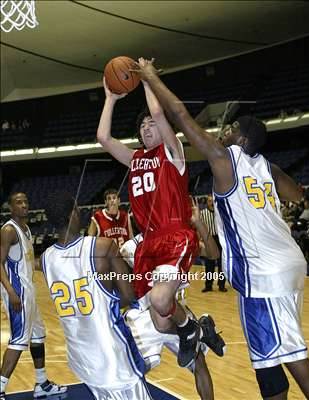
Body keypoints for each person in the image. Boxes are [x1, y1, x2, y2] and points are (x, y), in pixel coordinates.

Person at [132, 59, 309, 400]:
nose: (224, 130)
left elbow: (180, 115)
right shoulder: (268, 166)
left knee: (290, 348)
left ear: (242, 138)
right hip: (288, 263)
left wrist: (151, 78)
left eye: (231, 128)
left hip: (263, 272)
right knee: (265, 355)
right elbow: (297, 194)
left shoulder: (225, 159)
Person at [97, 68, 202, 369]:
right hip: (149, 243)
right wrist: (110, 99)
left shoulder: (173, 152)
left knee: (159, 300)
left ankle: (191, 329)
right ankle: (196, 328)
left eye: (150, 124)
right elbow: (103, 137)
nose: (146, 128)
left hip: (175, 235)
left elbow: (158, 110)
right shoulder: (135, 159)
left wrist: (145, 79)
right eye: (141, 126)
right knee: (159, 320)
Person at [42, 191, 151, 400]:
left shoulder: (46, 259)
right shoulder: (102, 246)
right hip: (111, 352)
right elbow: (129, 296)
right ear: (73, 215)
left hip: (80, 356)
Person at [121, 200, 224, 400]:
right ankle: (202, 330)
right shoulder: (129, 248)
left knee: (199, 363)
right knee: (132, 371)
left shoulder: (177, 240)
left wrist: (199, 222)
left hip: (175, 312)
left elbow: (213, 254)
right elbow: (126, 288)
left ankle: (198, 330)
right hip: (145, 316)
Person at [0, 192, 67, 399]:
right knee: (18, 340)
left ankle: (42, 383)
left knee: (38, 336)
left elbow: (29, 263)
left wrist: (55, 265)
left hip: (30, 290)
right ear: (11, 207)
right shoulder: (9, 230)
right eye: (18, 202)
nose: (24, 205)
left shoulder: (26, 229)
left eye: (26, 201)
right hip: (17, 291)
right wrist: (11, 292)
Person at [200, 194, 227, 293]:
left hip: (219, 239)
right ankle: (208, 285)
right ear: (207, 202)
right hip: (209, 238)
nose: (211, 203)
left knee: (221, 264)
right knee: (209, 264)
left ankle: (221, 285)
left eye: (212, 201)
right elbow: (200, 227)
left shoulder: (220, 213)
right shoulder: (202, 213)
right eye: (209, 201)